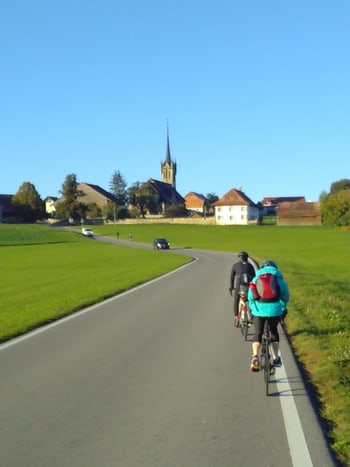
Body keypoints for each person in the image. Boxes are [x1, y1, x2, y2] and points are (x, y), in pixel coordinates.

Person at [248, 259, 289, 372]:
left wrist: (253, 307)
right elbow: (285, 297)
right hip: (274, 311)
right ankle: (276, 358)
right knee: (274, 331)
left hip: (258, 311)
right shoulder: (279, 280)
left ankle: (255, 356)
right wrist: (282, 306)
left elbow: (250, 297)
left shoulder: (256, 279)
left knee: (258, 332)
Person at [229, 251, 256, 327]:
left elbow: (232, 278)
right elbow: (254, 278)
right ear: (247, 258)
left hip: (239, 286)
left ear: (239, 258)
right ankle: (251, 317)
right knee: (251, 300)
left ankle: (236, 318)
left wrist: (231, 288)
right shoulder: (250, 266)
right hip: (249, 287)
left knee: (236, 300)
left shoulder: (235, 265)